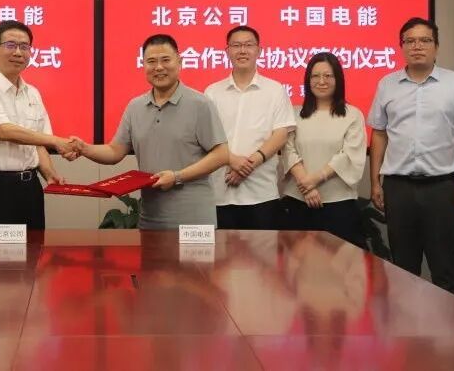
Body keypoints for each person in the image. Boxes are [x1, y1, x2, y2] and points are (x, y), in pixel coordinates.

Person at [368, 17, 454, 295]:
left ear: (436, 47)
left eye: (425, 40)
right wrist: (375, 182)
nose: (417, 46)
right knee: (403, 270)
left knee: (444, 268)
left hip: (441, 188)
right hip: (398, 187)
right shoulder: (387, 84)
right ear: (402, 47)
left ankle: (448, 325)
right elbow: (379, 134)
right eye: (410, 41)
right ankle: (406, 325)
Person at [78, 34, 228, 229]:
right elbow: (115, 151)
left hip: (193, 219)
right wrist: (84, 148)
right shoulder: (135, 107)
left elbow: (221, 154)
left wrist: (177, 176)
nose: (158, 67)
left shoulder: (200, 104)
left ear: (180, 62)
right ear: (143, 65)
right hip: (150, 218)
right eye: (151, 61)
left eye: (165, 60)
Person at [0, 20, 76, 229]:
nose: (18, 52)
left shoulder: (32, 93)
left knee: (33, 247)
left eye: (24, 46)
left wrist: (49, 172)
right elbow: (3, 131)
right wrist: (57, 141)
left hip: (29, 187)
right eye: (10, 45)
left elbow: (37, 142)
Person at [204, 25, 295, 229]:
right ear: (227, 51)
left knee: (263, 250)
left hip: (262, 193)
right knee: (221, 250)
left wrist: (248, 165)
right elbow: (206, 137)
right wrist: (231, 160)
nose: (242, 50)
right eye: (236, 45)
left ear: (259, 50)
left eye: (248, 45)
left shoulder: (275, 90)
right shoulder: (212, 92)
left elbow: (281, 134)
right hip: (220, 192)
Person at [281, 52, 368, 248]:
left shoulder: (353, 115)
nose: (321, 81)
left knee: (339, 264)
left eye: (328, 76)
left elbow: (349, 155)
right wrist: (307, 185)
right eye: (315, 76)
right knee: (298, 263)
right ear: (308, 80)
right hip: (298, 200)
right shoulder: (294, 114)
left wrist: (315, 179)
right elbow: (287, 150)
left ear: (338, 80)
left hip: (339, 204)